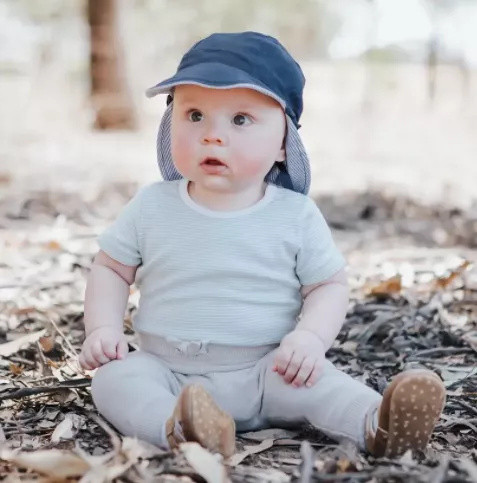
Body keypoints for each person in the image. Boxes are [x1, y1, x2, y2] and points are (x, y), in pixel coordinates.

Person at [79, 32, 445, 459]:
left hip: (267, 369)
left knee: (320, 383)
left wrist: (308, 339)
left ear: (283, 144)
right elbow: (110, 268)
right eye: (194, 115)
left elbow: (328, 285)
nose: (212, 136)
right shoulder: (152, 205)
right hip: (165, 368)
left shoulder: (295, 215)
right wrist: (103, 329)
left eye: (240, 120)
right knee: (115, 379)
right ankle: (181, 427)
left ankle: (378, 424)